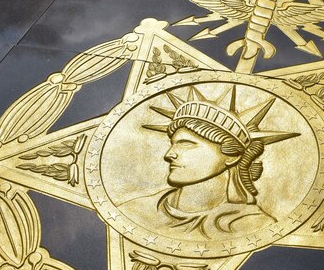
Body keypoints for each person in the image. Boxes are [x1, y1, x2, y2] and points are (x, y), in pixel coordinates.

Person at [118, 85, 298, 238]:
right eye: (172, 144)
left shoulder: (254, 225)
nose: (169, 154)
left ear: (231, 156)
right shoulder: (134, 209)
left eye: (186, 144)